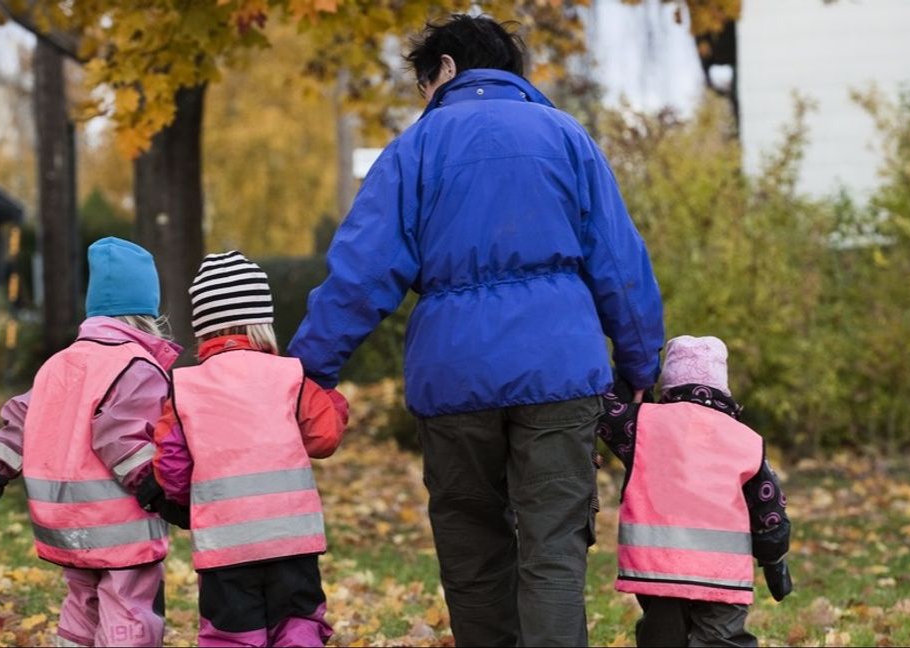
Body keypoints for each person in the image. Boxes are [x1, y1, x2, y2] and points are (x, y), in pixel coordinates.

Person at [285, 13, 665, 647]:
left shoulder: (416, 149)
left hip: (453, 380)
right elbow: (621, 265)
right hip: (561, 375)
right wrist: (641, 368)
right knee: (553, 555)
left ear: (448, 69)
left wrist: (309, 371)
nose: (424, 101)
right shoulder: (567, 138)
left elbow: (361, 273)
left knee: (472, 554)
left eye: (423, 85)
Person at [0, 237, 188, 648]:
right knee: (128, 608)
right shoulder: (137, 366)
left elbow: (17, 426)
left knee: (82, 603)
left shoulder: (57, 365)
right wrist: (161, 493)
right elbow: (122, 436)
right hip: (120, 524)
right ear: (146, 309)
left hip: (61, 523)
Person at [152, 251, 346, 647]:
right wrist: (333, 402)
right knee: (298, 626)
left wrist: (195, 497)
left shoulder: (185, 388)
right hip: (292, 541)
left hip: (225, 545)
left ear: (202, 328)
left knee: (232, 635)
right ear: (263, 323)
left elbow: (170, 464)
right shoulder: (290, 376)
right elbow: (325, 437)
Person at [599, 335, 793, 648]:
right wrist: (774, 560)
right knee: (721, 639)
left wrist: (632, 381)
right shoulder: (746, 439)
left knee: (662, 638)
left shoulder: (642, 425)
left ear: (668, 383)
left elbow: (601, 407)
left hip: (657, 566)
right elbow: (770, 510)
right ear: (723, 386)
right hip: (722, 571)